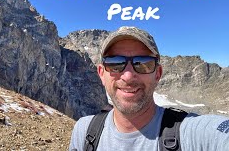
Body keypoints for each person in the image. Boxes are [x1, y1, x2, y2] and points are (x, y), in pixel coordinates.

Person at [69, 26, 229, 151]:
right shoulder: (83, 131)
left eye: (143, 63)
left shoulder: (191, 133)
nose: (128, 76)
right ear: (101, 74)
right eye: (115, 63)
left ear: (158, 74)